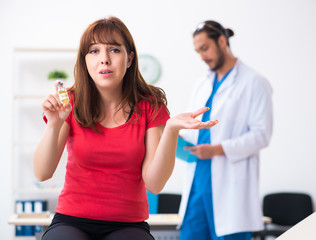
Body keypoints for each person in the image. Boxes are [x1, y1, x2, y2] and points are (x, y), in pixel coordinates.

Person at [33, 16, 218, 240]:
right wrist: (54, 124)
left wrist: (171, 130)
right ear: (84, 61)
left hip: (127, 225)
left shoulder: (150, 105)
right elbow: (42, 173)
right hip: (71, 220)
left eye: (114, 50)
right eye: (94, 51)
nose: (104, 59)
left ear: (129, 58)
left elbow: (155, 183)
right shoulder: (70, 102)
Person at [178, 20, 273, 240]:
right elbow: (195, 129)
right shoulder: (201, 84)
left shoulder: (254, 82)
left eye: (205, 48)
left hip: (230, 188)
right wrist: (174, 135)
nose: (202, 56)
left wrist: (217, 149)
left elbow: (261, 135)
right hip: (197, 184)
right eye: (197, 51)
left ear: (222, 41)